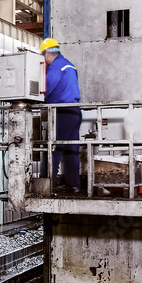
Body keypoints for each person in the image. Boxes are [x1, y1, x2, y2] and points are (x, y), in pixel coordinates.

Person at [41, 38, 82, 191]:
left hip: (62, 111)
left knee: (52, 148)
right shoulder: (70, 64)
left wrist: (37, 98)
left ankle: (46, 185)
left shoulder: (56, 66)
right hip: (75, 111)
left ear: (47, 54)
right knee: (71, 149)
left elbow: (47, 85)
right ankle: (73, 184)